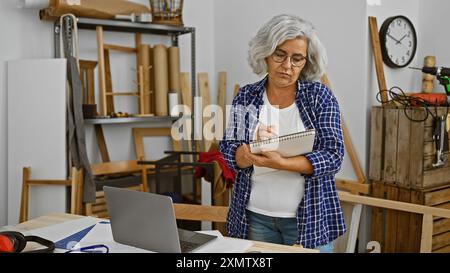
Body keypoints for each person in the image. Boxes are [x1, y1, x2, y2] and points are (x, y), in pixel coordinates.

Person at [219, 14, 345, 253]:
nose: (287, 66)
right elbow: (228, 149)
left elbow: (334, 155)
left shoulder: (320, 97)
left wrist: (282, 163)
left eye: (297, 59)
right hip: (254, 217)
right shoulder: (246, 96)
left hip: (309, 220)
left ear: (306, 63)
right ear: (265, 53)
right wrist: (244, 155)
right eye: (280, 55)